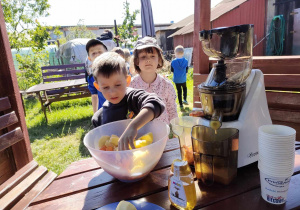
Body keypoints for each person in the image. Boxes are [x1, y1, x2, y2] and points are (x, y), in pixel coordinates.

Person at [92, 52, 165, 150]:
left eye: (118, 85)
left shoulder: (133, 98)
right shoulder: (98, 119)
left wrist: (133, 126)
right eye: (105, 87)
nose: (112, 92)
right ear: (98, 87)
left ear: (127, 81)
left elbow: (156, 103)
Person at [130, 37, 178, 125]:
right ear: (137, 61)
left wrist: (176, 130)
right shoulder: (131, 85)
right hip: (139, 133)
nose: (148, 60)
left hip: (162, 132)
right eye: (143, 57)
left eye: (152, 56)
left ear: (159, 59)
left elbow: (172, 110)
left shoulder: (167, 85)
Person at [85, 38, 107, 113]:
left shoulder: (117, 72)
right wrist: (95, 114)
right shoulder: (91, 78)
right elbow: (94, 96)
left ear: (107, 53)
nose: (97, 55)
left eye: (100, 52)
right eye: (93, 53)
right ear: (89, 58)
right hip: (104, 111)